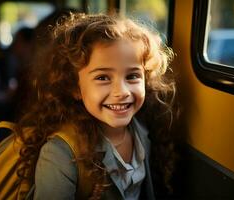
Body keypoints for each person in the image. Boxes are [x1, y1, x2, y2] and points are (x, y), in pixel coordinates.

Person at [16, 13, 176, 199]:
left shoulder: (142, 131)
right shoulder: (60, 154)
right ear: (74, 87)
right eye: (103, 78)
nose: (122, 91)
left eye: (132, 76)